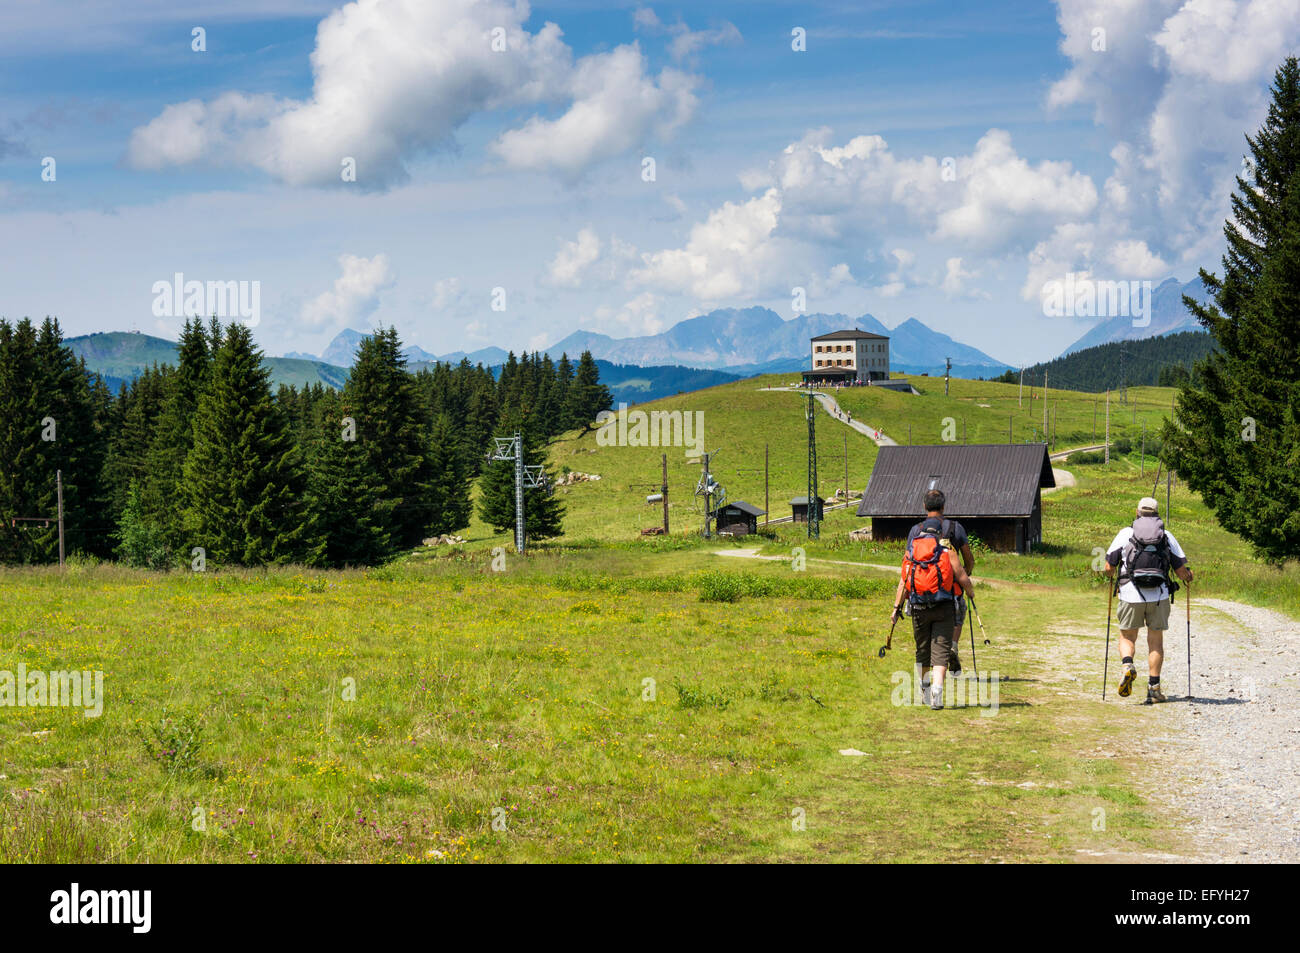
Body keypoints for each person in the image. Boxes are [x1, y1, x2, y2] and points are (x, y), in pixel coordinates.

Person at [1105, 497, 1194, 703]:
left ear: (1137, 512)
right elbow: (1181, 571)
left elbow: (1109, 568)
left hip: (1130, 593)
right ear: (1156, 514)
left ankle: (1127, 665)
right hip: (1159, 596)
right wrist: (1189, 576)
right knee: (1155, 642)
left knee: (1127, 636)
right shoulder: (1166, 536)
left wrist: (1111, 576)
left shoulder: (1125, 534)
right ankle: (1154, 689)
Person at [891, 515, 976, 710]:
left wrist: (896, 608)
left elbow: (904, 582)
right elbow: (962, 576)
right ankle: (937, 692)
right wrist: (970, 594)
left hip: (919, 607)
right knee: (941, 650)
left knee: (922, 651)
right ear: (938, 534)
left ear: (920, 533)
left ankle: (925, 690)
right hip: (943, 607)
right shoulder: (947, 552)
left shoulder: (911, 554)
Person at [905, 489, 975, 678]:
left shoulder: (916, 530)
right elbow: (969, 559)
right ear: (944, 506)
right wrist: (964, 577)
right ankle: (951, 645)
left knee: (924, 641)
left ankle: (927, 679)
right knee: (957, 617)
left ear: (924, 506)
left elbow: (908, 563)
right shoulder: (955, 528)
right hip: (952, 592)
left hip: (921, 593)